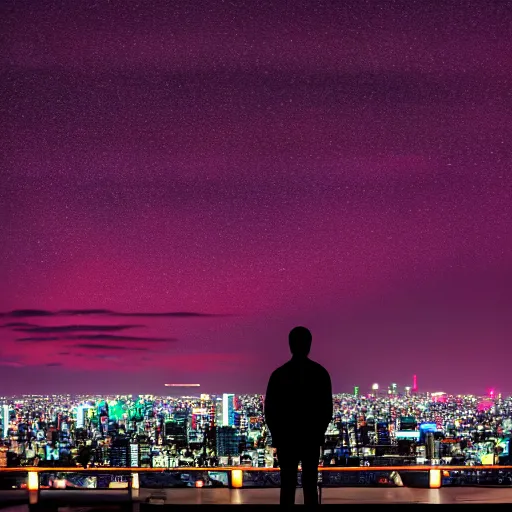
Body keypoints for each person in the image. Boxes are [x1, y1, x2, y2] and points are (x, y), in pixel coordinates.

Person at [264, 326, 333, 505]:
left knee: (287, 484)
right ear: (309, 345)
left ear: (290, 345)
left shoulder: (279, 375)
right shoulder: (320, 374)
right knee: (310, 483)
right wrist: (318, 433)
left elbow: (270, 411)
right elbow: (326, 410)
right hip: (311, 438)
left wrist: (278, 436)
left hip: (286, 439)